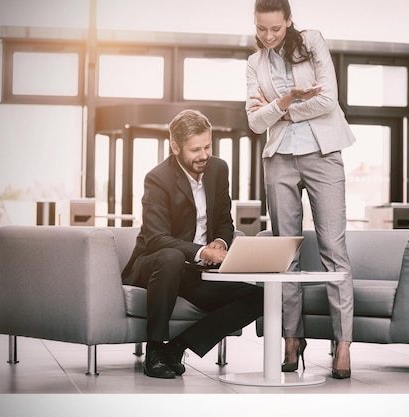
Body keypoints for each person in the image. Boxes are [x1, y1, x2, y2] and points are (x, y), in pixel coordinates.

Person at [245, 0, 356, 379]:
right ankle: (292, 339)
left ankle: (342, 345)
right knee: (285, 252)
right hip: (278, 159)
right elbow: (255, 122)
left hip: (323, 155)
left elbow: (328, 100)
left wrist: (279, 107)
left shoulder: (312, 42)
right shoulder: (254, 64)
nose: (268, 36)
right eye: (261, 29)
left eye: (275, 28)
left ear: (289, 21)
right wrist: (289, 99)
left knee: (333, 249)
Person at [122, 109, 263, 379]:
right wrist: (201, 251)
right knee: (172, 256)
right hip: (154, 267)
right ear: (175, 147)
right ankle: (155, 350)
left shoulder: (218, 169)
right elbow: (156, 238)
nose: (203, 155)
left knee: (261, 296)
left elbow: (224, 221)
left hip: (194, 274)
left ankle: (176, 348)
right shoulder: (157, 178)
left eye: (208, 146)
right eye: (195, 149)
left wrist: (220, 243)